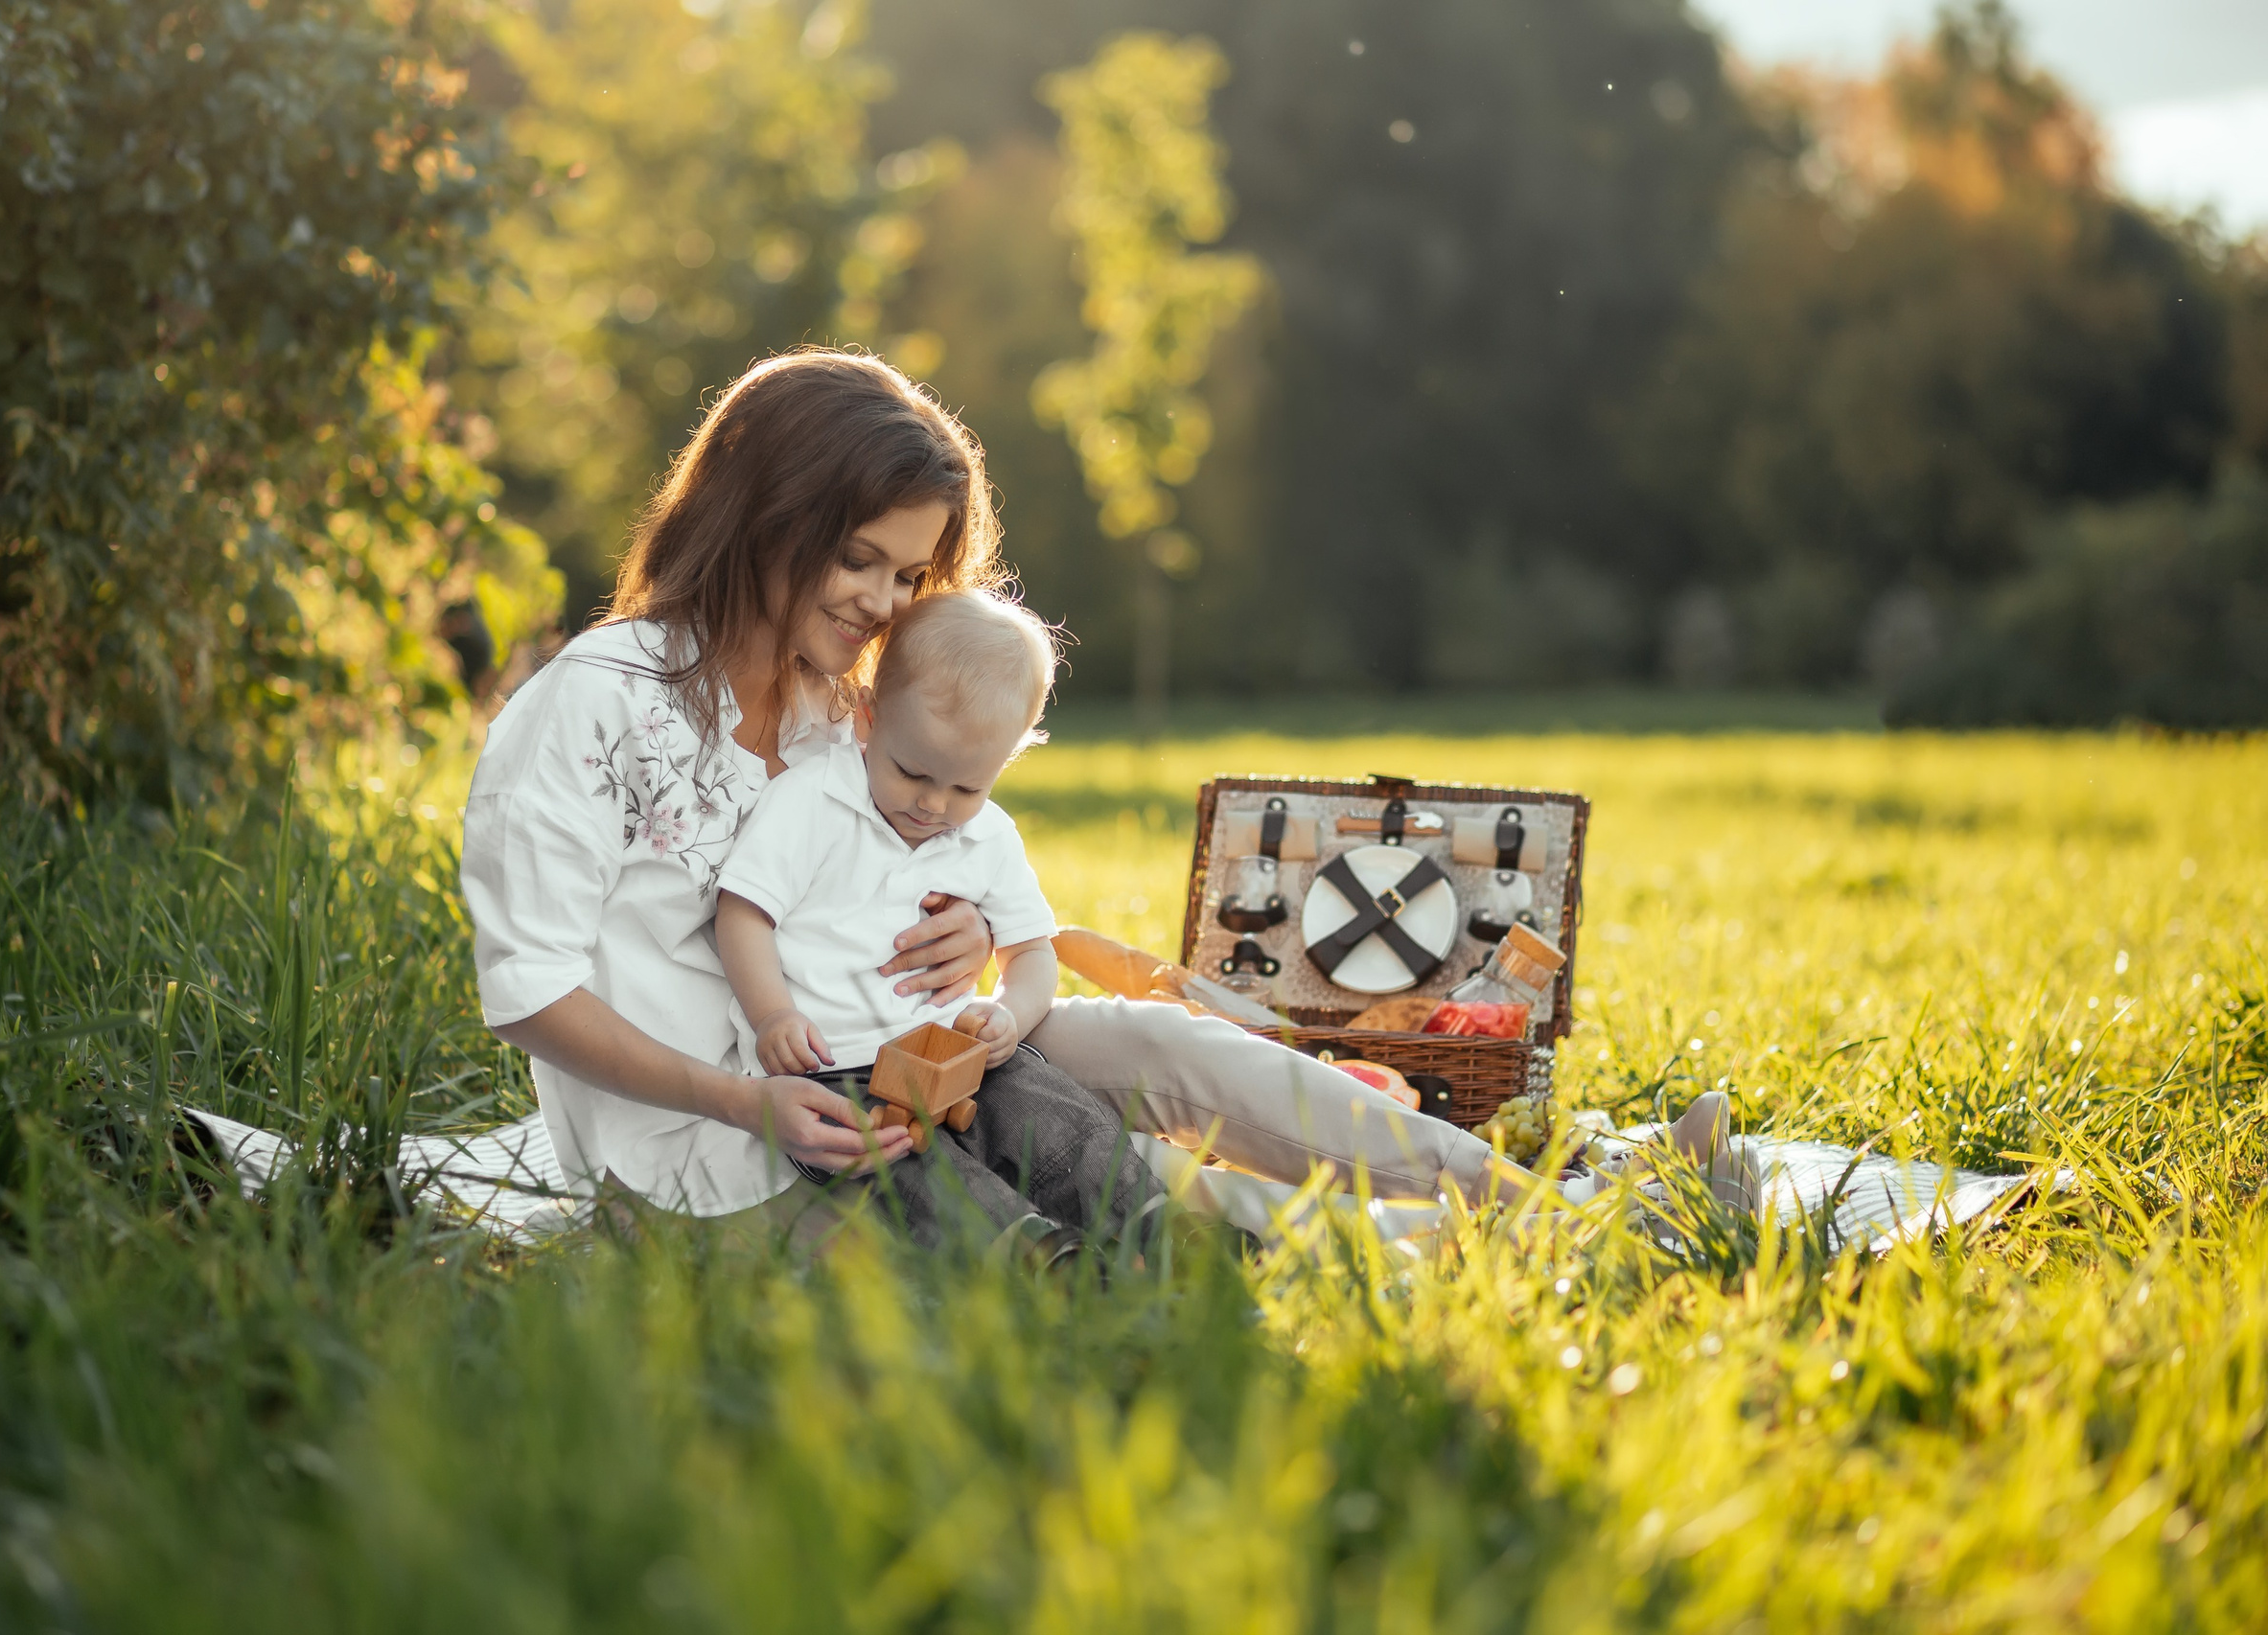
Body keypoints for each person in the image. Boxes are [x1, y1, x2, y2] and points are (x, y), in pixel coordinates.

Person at [460, 347, 1733, 1238]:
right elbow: (531, 994)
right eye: (856, 557)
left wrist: (959, 932)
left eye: (908, 576)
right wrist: (745, 1097)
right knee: (1127, 1189)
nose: (881, 605)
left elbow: (899, 866)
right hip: (715, 1140)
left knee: (1165, 1046)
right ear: (758, 514)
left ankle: (1575, 1196)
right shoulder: (593, 706)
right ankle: (1478, 1237)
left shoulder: (834, 709)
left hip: (908, 1061)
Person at [714, 588, 1162, 1255]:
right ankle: (1031, 1257)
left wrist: (1010, 1013)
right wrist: (773, 1015)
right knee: (905, 1167)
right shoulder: (811, 801)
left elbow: (1032, 953)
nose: (932, 804)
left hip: (957, 1053)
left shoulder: (990, 837)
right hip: (837, 1067)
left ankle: (1160, 1230)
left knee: (1058, 1119)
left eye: (965, 788)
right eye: (912, 772)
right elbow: (744, 913)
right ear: (867, 720)